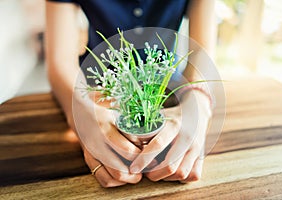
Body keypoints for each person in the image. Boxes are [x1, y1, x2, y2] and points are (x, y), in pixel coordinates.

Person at [45, 0, 216, 188]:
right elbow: (61, 60)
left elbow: (202, 49)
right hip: (101, 91)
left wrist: (199, 102)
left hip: (166, 91)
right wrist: (80, 111)